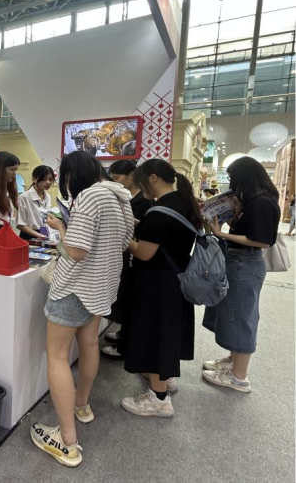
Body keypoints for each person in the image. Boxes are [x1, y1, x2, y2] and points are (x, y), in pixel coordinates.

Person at [30, 151, 134, 467]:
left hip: (75, 288)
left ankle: (67, 442)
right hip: (101, 287)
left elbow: (75, 251)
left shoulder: (89, 196)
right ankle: (81, 405)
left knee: (57, 357)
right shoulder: (122, 199)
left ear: (72, 174)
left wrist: (60, 227)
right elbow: (125, 242)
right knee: (89, 344)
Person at [119, 159, 202, 418]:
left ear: (153, 178)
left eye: (140, 181)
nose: (139, 187)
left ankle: (159, 399)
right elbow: (166, 236)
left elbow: (144, 252)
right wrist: (138, 225)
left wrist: (123, 236)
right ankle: (164, 378)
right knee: (166, 334)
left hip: (157, 283)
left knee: (155, 335)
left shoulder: (160, 211)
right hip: (175, 279)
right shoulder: (184, 202)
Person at [202, 156, 280, 393]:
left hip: (246, 262)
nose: (231, 182)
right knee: (234, 313)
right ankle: (233, 362)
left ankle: (239, 377)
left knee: (242, 316)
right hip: (238, 260)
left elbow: (262, 241)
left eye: (233, 177)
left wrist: (221, 234)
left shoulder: (262, 203)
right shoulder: (251, 201)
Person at [101, 159, 153, 360]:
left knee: (129, 297)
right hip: (124, 252)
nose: (115, 182)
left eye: (117, 178)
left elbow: (139, 230)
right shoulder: (128, 197)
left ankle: (126, 343)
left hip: (134, 254)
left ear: (132, 175)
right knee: (124, 296)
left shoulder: (143, 201)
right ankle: (124, 335)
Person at [17, 165, 55, 240]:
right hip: (28, 236)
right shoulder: (24, 197)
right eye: (44, 179)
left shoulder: (48, 197)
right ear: (34, 179)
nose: (48, 182)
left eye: (50, 179)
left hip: (44, 234)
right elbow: (20, 224)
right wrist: (40, 236)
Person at [0, 151, 20, 234]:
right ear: (0, 170)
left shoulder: (6, 190)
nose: (14, 174)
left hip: (5, 232)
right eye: (12, 170)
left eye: (15, 170)